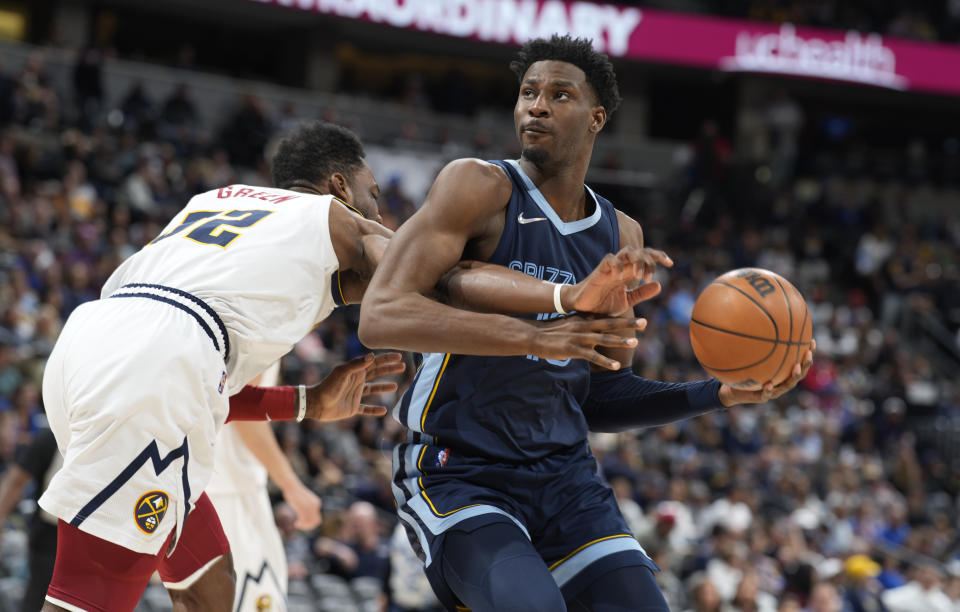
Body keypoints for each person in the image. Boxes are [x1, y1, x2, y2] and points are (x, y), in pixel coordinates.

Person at [38, 120, 652, 612]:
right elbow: (437, 278)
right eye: (375, 196)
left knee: (208, 580)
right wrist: (561, 300)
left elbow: (204, 390)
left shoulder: (211, 203)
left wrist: (305, 402)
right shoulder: (338, 222)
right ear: (339, 184)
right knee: (90, 595)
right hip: (161, 360)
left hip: (95, 346)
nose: (382, 215)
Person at [359, 35, 814, 611]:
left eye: (559, 94)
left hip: (566, 484)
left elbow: (596, 395)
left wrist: (719, 393)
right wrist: (538, 331)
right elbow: (381, 314)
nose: (537, 106)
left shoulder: (621, 236)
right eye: (528, 93)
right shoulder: (477, 186)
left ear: (597, 117)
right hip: (460, 472)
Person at [202, 362, 322, 612]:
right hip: (231, 489)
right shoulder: (263, 329)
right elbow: (244, 413)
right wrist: (292, 486)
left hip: (212, 484)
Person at [0, 427, 60, 610]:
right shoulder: (53, 436)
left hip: (93, 539)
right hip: (51, 536)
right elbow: (16, 479)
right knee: (41, 599)